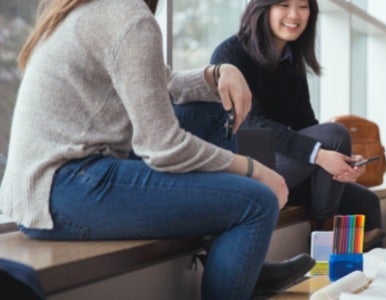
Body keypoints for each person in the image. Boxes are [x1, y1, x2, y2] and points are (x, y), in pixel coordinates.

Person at [0, 0, 291, 299]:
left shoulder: (99, 8)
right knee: (257, 203)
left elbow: (160, 82)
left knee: (211, 114)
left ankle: (243, 265)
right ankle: (243, 270)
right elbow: (162, 146)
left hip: (46, 190)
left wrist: (217, 73)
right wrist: (253, 171)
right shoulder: (130, 17)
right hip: (65, 189)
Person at [209, 0, 384, 242]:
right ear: (263, 7)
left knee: (369, 203)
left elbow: (306, 124)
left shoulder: (290, 59)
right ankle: (324, 234)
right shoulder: (231, 54)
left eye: (303, 6)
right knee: (335, 134)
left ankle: (359, 273)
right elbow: (254, 124)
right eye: (284, 4)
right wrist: (322, 154)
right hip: (246, 171)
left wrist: (344, 161)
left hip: (283, 166)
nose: (294, 15)